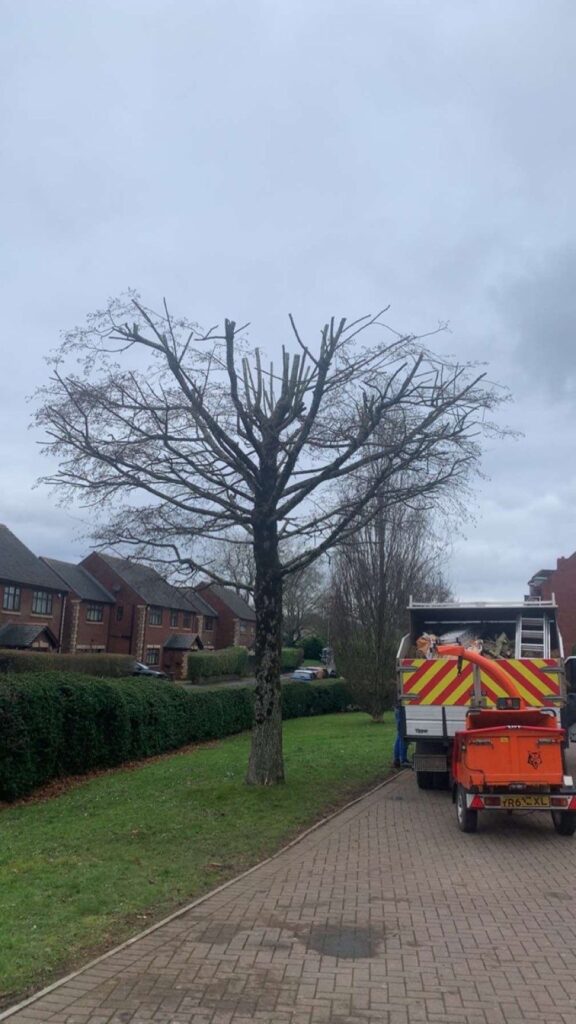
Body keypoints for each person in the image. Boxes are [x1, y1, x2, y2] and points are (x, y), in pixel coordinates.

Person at [393, 704, 411, 768]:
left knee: (399, 736)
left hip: (398, 708)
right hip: (401, 709)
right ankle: (403, 760)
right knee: (403, 736)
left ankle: (397, 760)